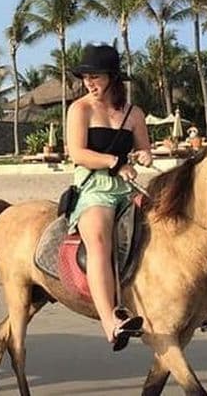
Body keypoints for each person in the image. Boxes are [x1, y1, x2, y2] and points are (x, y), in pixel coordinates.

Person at [66, 44, 152, 351]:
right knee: (100, 241)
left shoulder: (134, 113)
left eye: (96, 77)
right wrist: (116, 163)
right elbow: (77, 153)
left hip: (127, 186)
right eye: (86, 77)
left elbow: (144, 149)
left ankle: (196, 303)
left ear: (113, 78)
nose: (89, 83)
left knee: (169, 220)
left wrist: (142, 156)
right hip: (94, 185)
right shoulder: (80, 109)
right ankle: (110, 321)